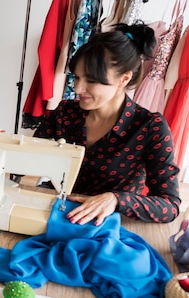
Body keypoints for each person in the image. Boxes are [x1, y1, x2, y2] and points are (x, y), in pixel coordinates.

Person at [33, 22, 181, 225]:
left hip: (104, 227)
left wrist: (115, 199)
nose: (78, 88)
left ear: (124, 79)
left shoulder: (149, 127)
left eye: (91, 81)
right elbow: (27, 161)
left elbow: (169, 205)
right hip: (52, 216)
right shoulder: (65, 112)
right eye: (76, 77)